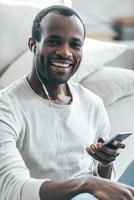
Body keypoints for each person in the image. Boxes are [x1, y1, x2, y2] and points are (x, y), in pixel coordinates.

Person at [0, 5, 134, 200]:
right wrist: (86, 184)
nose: (65, 52)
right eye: (54, 42)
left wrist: (104, 165)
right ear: (33, 44)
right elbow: (11, 188)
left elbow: (105, 184)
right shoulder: (6, 107)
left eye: (75, 44)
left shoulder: (92, 103)